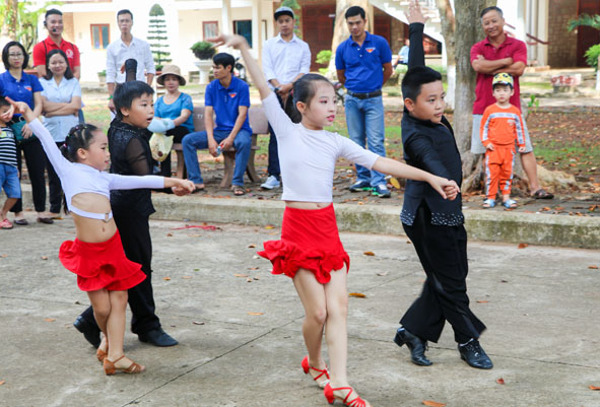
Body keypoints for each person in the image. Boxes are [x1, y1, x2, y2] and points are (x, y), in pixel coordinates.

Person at [209, 32, 459, 407]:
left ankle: (340, 382)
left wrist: (428, 176)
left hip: (327, 230)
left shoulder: (336, 141)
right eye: (323, 101)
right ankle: (314, 361)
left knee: (339, 307)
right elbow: (262, 85)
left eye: (334, 101)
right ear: (301, 105)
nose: (332, 108)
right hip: (297, 230)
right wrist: (244, 49)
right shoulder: (286, 129)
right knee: (319, 312)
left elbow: (380, 162)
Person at [8, 96, 193, 375]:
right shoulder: (68, 170)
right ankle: (106, 337)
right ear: (82, 153)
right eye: (103, 148)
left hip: (113, 247)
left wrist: (173, 182)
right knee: (103, 308)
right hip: (90, 252)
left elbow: (141, 181)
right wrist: (26, 111)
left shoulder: (105, 178)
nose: (109, 153)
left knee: (120, 299)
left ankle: (116, 354)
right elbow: (46, 138)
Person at [393, 1, 493, 370]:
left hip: (446, 211)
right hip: (426, 216)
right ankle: (468, 341)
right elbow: (428, 160)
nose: (439, 106)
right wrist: (445, 181)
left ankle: (413, 332)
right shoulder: (414, 134)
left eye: (441, 98)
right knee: (452, 285)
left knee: (447, 277)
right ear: (410, 104)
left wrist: (417, 28)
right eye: (431, 100)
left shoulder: (419, 104)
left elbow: (416, 69)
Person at [73, 80, 185, 348]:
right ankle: (145, 326)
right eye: (143, 105)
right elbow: (145, 178)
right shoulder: (133, 138)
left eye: (151, 104)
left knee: (127, 267)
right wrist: (175, 186)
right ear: (124, 109)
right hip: (129, 210)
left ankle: (93, 319)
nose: (150, 110)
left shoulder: (118, 127)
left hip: (120, 207)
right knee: (139, 268)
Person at [471, 6, 553, 200]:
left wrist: (490, 66)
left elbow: (518, 69)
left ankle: (535, 187)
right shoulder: (478, 48)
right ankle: (495, 192)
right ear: (482, 26)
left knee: (525, 147)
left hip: (511, 108)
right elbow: (478, 65)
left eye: (494, 21)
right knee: (486, 151)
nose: (491, 25)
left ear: (502, 21)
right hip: (483, 107)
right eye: (486, 23)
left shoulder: (517, 45)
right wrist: (505, 61)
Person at [335, 5, 394, 198]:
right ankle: (363, 178)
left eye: (357, 23)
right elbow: (341, 75)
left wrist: (374, 85)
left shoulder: (379, 43)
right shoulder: (343, 48)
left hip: (373, 100)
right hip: (352, 100)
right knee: (356, 142)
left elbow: (388, 70)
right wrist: (355, 87)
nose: (354, 27)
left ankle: (379, 181)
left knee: (376, 141)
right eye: (350, 24)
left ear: (365, 22)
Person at [182, 53, 252, 196]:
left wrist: (231, 138)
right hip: (220, 131)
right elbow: (208, 114)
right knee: (188, 140)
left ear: (228, 68)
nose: (214, 71)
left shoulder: (242, 86)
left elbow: (242, 114)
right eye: (213, 67)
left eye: (217, 68)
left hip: (240, 130)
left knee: (244, 142)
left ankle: (237, 183)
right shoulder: (211, 87)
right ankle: (196, 181)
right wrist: (210, 139)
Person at [0, 41, 53, 225]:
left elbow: (39, 104)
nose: (16, 58)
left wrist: (32, 123)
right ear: (6, 57)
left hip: (30, 127)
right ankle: (18, 212)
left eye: (19, 54)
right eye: (12, 54)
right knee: (12, 172)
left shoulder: (32, 79)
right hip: (8, 129)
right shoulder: (1, 79)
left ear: (25, 56)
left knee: (37, 170)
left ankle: (41, 210)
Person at [260, 6, 311, 190]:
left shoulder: (303, 46)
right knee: (276, 135)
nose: (284, 24)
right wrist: (279, 87)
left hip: (297, 93)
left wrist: (289, 86)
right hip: (275, 93)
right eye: (280, 21)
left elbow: (304, 70)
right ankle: (274, 174)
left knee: (299, 133)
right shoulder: (269, 45)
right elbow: (268, 70)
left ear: (293, 22)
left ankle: (297, 174)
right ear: (277, 24)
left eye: (287, 20)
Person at [40, 49, 82, 218]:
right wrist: (66, 106)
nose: (57, 65)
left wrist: (52, 110)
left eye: (61, 62)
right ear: (48, 65)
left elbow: (76, 106)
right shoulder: (42, 83)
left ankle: (74, 206)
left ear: (66, 64)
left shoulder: (73, 82)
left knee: (72, 170)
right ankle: (54, 208)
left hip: (69, 133)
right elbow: (43, 107)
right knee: (53, 172)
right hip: (51, 133)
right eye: (54, 62)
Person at [480, 73, 526, 209]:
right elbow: (483, 127)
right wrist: (486, 141)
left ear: (511, 92)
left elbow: (519, 128)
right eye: (498, 90)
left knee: (506, 173)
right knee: (492, 174)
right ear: (493, 93)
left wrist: (521, 144)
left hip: (509, 149)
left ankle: (506, 197)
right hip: (493, 149)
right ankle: (490, 197)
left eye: (505, 90)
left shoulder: (514, 111)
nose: (502, 94)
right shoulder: (490, 110)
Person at [106, 9, 155, 113]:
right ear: (118, 23)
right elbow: (110, 73)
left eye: (127, 21)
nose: (124, 24)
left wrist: (147, 88)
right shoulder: (112, 47)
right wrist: (111, 98)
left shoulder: (143, 45)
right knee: (120, 122)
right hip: (121, 90)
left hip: (140, 90)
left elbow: (151, 68)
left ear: (132, 22)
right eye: (121, 21)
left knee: (140, 123)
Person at [153, 64, 194, 177]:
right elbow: (155, 118)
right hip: (164, 131)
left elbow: (184, 116)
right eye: (167, 79)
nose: (170, 82)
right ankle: (160, 172)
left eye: (174, 79)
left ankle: (173, 174)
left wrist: (168, 124)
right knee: (155, 136)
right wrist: (162, 125)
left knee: (164, 134)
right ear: (164, 83)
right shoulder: (159, 101)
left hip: (182, 130)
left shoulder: (185, 98)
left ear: (179, 81)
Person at [32, 9, 81, 80]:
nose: (57, 25)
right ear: (46, 25)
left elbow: (77, 72)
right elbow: (42, 74)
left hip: (70, 88)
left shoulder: (73, 48)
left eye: (60, 22)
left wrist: (68, 85)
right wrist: (57, 87)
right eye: (53, 22)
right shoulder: (39, 47)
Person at [0, 97, 20, 230]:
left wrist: (16, 167)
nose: (8, 114)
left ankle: (3, 213)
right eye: (4, 111)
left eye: (10, 111)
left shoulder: (10, 128)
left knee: (15, 194)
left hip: (11, 167)